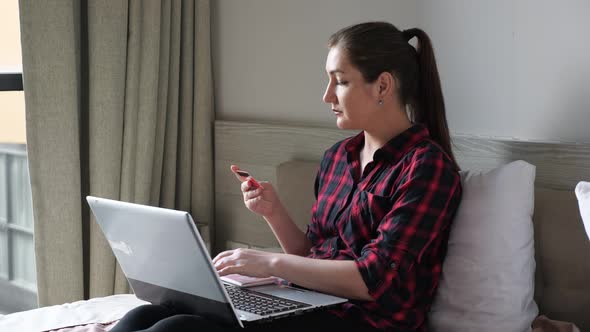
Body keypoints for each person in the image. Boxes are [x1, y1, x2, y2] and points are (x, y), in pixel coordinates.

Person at [111, 21, 462, 332]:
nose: (327, 96)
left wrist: (268, 261)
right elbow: (313, 255)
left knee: (179, 328)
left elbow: (374, 280)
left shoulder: (427, 168)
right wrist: (274, 213)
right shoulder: (339, 158)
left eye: (340, 82)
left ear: (383, 86)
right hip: (307, 303)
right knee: (146, 316)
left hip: (361, 321)